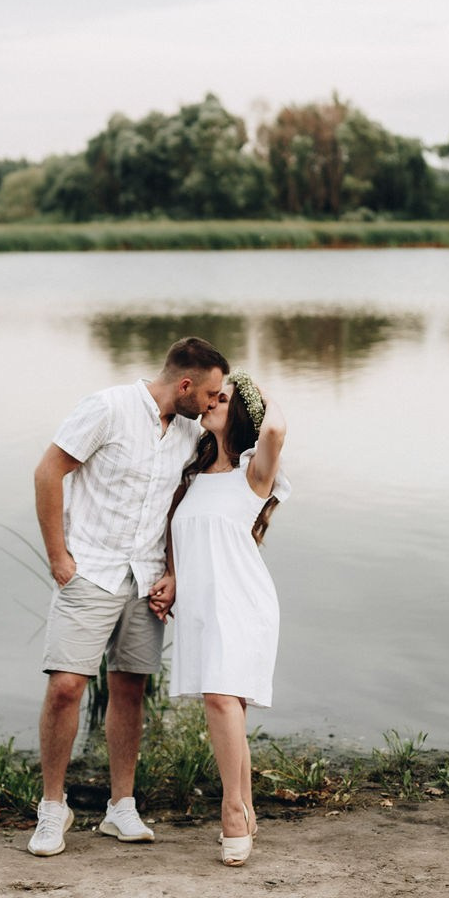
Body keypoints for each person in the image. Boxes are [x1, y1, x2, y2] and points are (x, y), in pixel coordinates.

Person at [27, 335, 230, 857]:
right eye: (211, 393)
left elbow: (180, 505)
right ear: (185, 384)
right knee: (66, 687)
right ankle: (52, 808)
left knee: (130, 689)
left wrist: (173, 572)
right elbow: (49, 471)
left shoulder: (190, 433)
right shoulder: (107, 408)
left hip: (146, 578)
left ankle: (121, 807)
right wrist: (58, 557)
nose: (214, 402)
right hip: (90, 571)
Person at [157, 369, 289, 867]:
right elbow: (180, 534)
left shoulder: (253, 473)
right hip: (201, 604)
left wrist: (257, 391)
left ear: (243, 414)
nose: (212, 401)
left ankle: (232, 811)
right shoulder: (192, 476)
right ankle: (247, 810)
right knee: (228, 706)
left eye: (224, 398)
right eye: (213, 395)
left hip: (243, 601)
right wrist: (172, 576)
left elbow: (275, 428)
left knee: (219, 697)